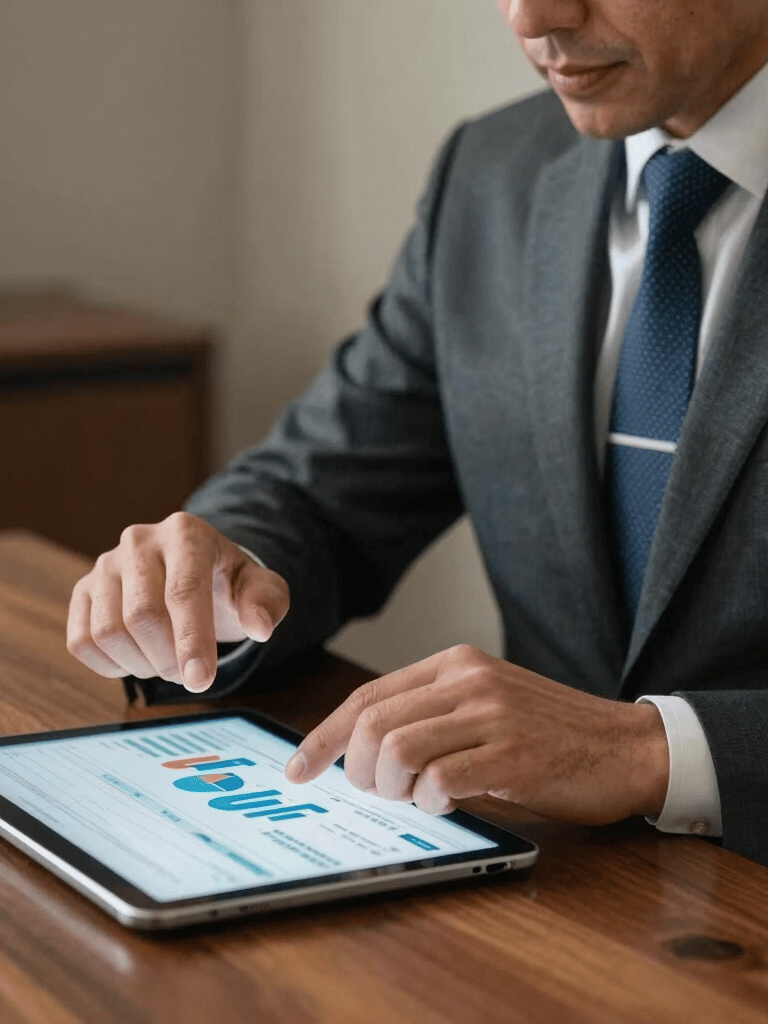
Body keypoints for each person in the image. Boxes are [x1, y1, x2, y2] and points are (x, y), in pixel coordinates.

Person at [67, 0, 768, 866]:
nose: (533, 16)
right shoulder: (493, 173)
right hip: (545, 901)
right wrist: (212, 573)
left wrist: (654, 753)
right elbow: (321, 490)